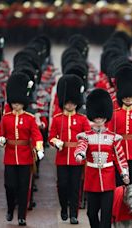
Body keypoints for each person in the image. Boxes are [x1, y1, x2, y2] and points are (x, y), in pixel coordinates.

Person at [74, 89, 130, 228]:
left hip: (108, 181)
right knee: (91, 213)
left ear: (106, 117)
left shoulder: (113, 138)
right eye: (96, 117)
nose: (98, 120)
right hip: (92, 181)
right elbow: (81, 146)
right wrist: (79, 154)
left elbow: (120, 157)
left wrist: (124, 173)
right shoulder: (86, 136)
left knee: (106, 215)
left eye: (101, 118)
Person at [0, 73, 44, 226]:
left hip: (25, 157)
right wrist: (1, 140)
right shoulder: (6, 118)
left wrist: (39, 148)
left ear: (23, 103)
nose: (16, 106)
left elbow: (36, 135)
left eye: (18, 103)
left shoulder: (29, 118)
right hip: (10, 156)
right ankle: (10, 208)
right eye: (14, 103)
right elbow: (0, 134)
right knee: (9, 186)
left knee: (24, 187)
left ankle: (22, 216)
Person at [48, 74, 91, 224]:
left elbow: (86, 137)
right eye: (68, 103)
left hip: (77, 159)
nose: (70, 105)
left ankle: (74, 214)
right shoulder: (58, 119)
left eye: (73, 103)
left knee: (75, 187)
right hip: (62, 157)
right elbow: (51, 136)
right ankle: (63, 208)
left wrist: (81, 149)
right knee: (62, 186)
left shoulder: (82, 119)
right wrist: (56, 142)